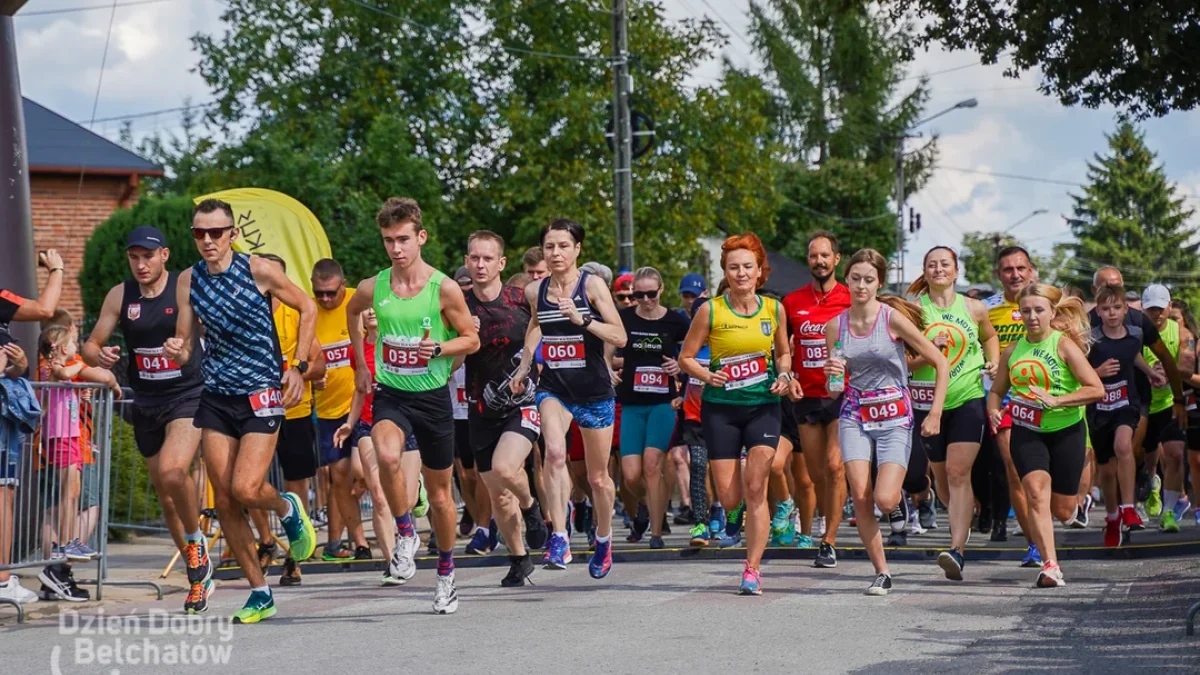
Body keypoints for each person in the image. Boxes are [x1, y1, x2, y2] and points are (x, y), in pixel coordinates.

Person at [165, 199, 319, 624]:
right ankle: (259, 592)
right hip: (216, 395)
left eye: (217, 232)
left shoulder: (259, 270)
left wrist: (299, 368)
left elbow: (307, 308)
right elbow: (186, 344)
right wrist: (177, 350)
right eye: (200, 233)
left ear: (233, 234)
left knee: (248, 488)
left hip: (261, 392)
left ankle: (286, 507)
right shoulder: (187, 281)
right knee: (226, 498)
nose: (208, 241)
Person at [345, 197, 479, 615]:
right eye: (388, 240)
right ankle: (406, 533)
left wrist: (438, 347)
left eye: (403, 239)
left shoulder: (444, 288)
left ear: (420, 237)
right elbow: (352, 313)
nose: (396, 248)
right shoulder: (375, 285)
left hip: (433, 397)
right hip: (392, 393)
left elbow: (471, 339)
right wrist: (362, 366)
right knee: (384, 454)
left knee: (441, 497)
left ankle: (445, 574)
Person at [81, 226, 212, 612]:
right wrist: (98, 357)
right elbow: (90, 345)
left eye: (148, 256)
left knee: (174, 472)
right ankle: (197, 572)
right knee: (167, 497)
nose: (141, 264)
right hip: (147, 401)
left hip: (187, 395)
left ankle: (197, 547)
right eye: (134, 257)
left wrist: (183, 349)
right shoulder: (121, 295)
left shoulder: (184, 289)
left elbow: (200, 339)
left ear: (164, 256)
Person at [824, 249, 948, 596]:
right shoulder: (835, 326)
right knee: (861, 496)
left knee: (885, 499)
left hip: (894, 415)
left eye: (868, 280)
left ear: (879, 283)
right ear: (846, 280)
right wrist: (833, 376)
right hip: (854, 414)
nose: (861, 286)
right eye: (855, 279)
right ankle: (882, 571)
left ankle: (899, 504)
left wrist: (935, 412)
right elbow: (834, 389)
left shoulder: (891, 318)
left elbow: (939, 362)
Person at [511, 218, 627, 578]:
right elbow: (536, 326)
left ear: (577, 249)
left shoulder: (591, 286)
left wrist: (583, 320)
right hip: (555, 388)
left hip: (592, 392)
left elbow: (620, 336)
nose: (556, 253)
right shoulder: (536, 291)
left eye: (563, 246)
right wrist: (524, 364)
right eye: (550, 246)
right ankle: (559, 535)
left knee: (598, 479)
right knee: (555, 453)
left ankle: (604, 539)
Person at [679, 233, 794, 595]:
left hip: (764, 406)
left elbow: (783, 353)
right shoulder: (710, 310)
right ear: (725, 272)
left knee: (757, 486)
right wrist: (704, 373)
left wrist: (786, 375)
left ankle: (752, 569)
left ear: (760, 271)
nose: (741, 273)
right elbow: (685, 358)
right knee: (731, 497)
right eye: (734, 268)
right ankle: (733, 510)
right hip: (721, 410)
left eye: (748, 267)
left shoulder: (774, 309)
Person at [987, 284, 1103, 588]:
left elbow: (1095, 389)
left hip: (1066, 430)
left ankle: (1076, 507)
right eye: (1026, 311)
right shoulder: (1012, 351)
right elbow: (997, 390)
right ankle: (1051, 565)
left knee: (1062, 510)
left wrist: (1056, 400)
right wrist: (994, 410)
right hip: (1027, 430)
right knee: (1035, 491)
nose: (1032, 316)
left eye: (1039, 310)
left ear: (1052, 312)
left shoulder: (1064, 345)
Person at [460, 230, 549, 585]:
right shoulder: (460, 305)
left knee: (505, 468)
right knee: (497, 491)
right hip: (480, 406)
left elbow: (542, 327)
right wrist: (466, 339)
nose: (480, 265)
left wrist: (527, 362)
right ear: (467, 261)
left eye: (487, 259)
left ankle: (532, 509)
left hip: (522, 401)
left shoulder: (522, 296)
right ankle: (519, 557)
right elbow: (451, 365)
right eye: (474, 258)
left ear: (501, 263)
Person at [905, 247, 998, 580]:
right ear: (925, 271)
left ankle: (957, 549)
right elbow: (903, 361)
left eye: (945, 264)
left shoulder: (974, 308)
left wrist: (994, 362)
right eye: (932, 264)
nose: (938, 269)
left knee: (959, 473)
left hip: (968, 398)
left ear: (956, 271)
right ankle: (961, 515)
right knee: (944, 482)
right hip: (928, 404)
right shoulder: (914, 311)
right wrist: (929, 354)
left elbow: (990, 337)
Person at [248, 254, 327, 586]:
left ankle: (294, 558)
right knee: (248, 484)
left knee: (297, 485)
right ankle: (266, 541)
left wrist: (298, 371)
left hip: (292, 412)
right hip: (253, 410)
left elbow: (321, 365)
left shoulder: (296, 315)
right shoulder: (247, 312)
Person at [1089, 267, 1187, 515]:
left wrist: (1178, 398)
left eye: (1117, 286)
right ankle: (1116, 510)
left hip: (1135, 396)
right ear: (1095, 293)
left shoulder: (1138, 321)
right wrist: (1094, 375)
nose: (1111, 298)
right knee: (1108, 463)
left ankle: (1129, 506)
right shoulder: (1087, 323)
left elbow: (1165, 358)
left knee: (1129, 448)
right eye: (1104, 288)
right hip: (1099, 400)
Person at [782, 231, 851, 568]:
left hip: (841, 393)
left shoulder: (851, 299)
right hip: (806, 395)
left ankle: (829, 540)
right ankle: (830, 513)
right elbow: (783, 350)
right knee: (815, 473)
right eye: (813, 256)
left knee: (835, 466)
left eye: (825, 255)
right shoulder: (792, 302)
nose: (819, 261)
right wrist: (789, 375)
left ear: (837, 259)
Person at [615, 267, 689, 549]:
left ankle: (656, 534)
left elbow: (695, 350)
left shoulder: (676, 321)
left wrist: (679, 364)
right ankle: (652, 504)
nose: (644, 300)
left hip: (662, 402)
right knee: (631, 475)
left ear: (661, 291)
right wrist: (609, 368)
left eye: (650, 294)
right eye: (638, 294)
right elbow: (607, 349)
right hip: (632, 402)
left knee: (651, 464)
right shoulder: (623, 318)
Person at [309, 258, 372, 562]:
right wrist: (311, 376)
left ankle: (413, 491)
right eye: (319, 293)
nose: (325, 299)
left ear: (343, 284)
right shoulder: (307, 312)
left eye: (331, 293)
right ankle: (360, 542)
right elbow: (303, 358)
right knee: (340, 477)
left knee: (363, 472)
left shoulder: (356, 302)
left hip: (362, 404)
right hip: (328, 411)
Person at [984, 246, 1042, 566]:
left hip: (1046, 396)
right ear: (999, 275)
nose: (1015, 274)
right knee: (1015, 471)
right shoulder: (985, 309)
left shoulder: (1048, 304)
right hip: (1005, 397)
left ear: (1031, 270)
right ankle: (1034, 544)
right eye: (1008, 270)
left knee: (1044, 478)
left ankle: (1050, 522)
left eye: (1021, 268)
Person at [1087, 284, 1149, 546]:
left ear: (1125, 309)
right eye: (1105, 308)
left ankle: (1128, 507)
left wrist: (1150, 372)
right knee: (1106, 471)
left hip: (1126, 403)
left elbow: (1132, 354)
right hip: (1100, 407)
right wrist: (1097, 373)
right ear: (1097, 312)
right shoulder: (1091, 339)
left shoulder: (1135, 334)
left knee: (1123, 445)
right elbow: (1078, 369)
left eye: (1116, 307)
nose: (1111, 313)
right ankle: (1112, 518)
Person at [1139, 284, 1193, 532]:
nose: (1156, 314)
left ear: (1169, 306)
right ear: (1143, 308)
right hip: (1142, 403)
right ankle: (1152, 486)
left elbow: (1188, 367)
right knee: (1144, 456)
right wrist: (1147, 372)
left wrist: (1169, 370)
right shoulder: (1134, 331)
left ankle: (1169, 511)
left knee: (1175, 453)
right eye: (1151, 309)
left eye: (1161, 308)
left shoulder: (1182, 334)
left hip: (1171, 402)